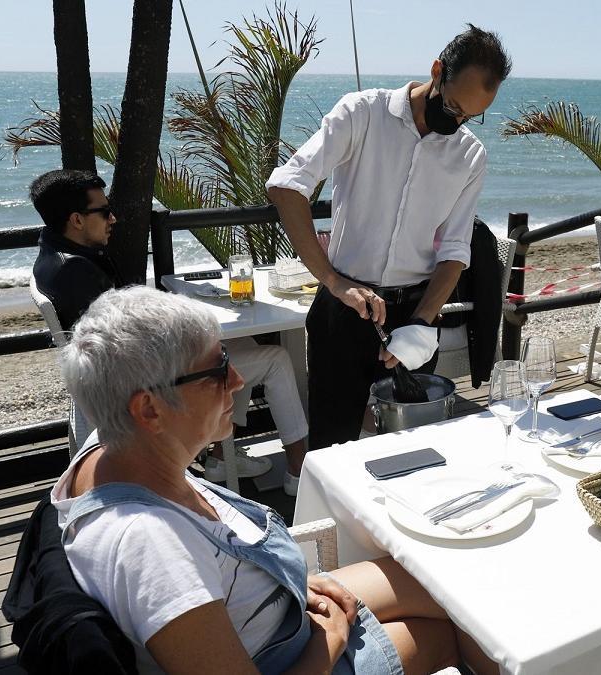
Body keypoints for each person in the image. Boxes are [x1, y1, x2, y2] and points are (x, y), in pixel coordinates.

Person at [50, 286, 495, 674]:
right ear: (149, 410)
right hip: (295, 654)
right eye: (217, 370)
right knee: (464, 629)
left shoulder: (111, 447)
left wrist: (287, 583)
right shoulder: (150, 547)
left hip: (283, 606)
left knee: (457, 586)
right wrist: (332, 641)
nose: (239, 379)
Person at [266, 25, 511, 449]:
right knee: (332, 449)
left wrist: (422, 322)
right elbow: (286, 186)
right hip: (343, 312)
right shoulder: (362, 113)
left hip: (415, 314)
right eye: (454, 107)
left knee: (408, 453)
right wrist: (333, 281)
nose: (457, 123)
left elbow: (455, 249)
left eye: (471, 116)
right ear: (437, 70)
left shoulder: (470, 155)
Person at [29, 170, 309, 492]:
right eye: (104, 211)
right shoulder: (76, 272)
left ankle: (220, 458)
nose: (113, 219)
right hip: (142, 382)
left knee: (235, 345)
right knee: (275, 358)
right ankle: (298, 472)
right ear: (77, 220)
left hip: (119, 376)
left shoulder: (56, 255)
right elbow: (127, 348)